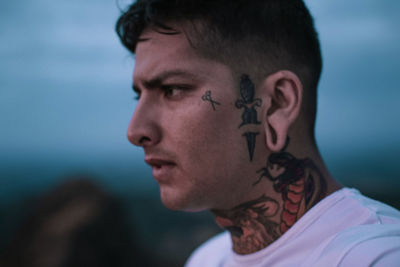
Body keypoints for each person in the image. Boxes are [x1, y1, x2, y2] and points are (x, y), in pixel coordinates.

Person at [115, 0, 400, 266]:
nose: (136, 131)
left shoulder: (376, 256)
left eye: (173, 90)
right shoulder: (207, 259)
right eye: (138, 96)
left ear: (277, 103)